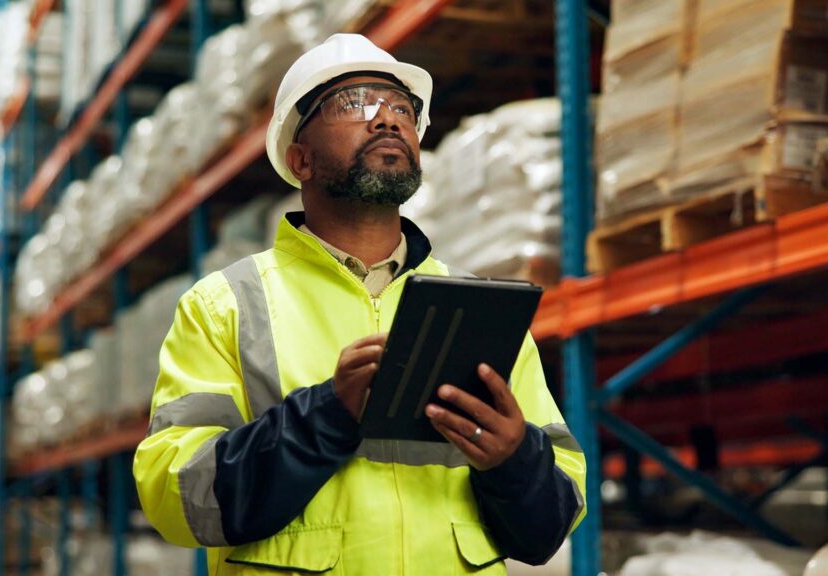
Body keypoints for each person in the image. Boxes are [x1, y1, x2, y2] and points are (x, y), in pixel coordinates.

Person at [133, 33, 587, 575]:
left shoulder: (478, 309)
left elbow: (551, 525)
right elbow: (177, 498)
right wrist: (325, 415)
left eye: (402, 108)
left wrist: (514, 461)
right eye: (356, 104)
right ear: (299, 159)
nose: (387, 120)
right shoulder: (226, 306)